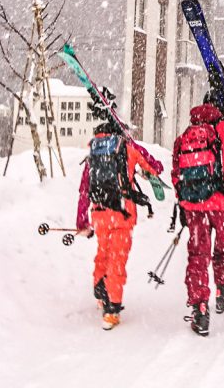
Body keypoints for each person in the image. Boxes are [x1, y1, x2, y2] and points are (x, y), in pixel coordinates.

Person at [75, 122, 161, 330]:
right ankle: (112, 309)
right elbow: (156, 168)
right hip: (122, 213)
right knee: (117, 260)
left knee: (103, 253)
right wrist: (135, 150)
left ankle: (100, 289)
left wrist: (81, 220)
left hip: (100, 214)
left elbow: (84, 189)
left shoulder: (94, 153)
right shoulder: (127, 148)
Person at [171, 101, 224, 336]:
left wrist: (183, 203)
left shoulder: (184, 138)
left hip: (194, 205)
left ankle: (200, 309)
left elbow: (176, 175)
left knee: (198, 256)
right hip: (222, 203)